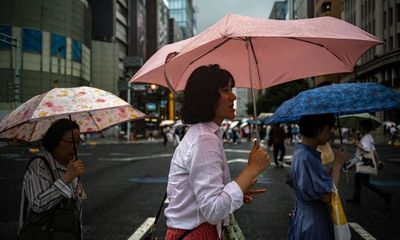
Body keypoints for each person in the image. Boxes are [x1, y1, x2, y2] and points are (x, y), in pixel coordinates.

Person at [164, 64, 271, 240]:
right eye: (225, 90)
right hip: (198, 234)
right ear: (207, 97)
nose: (233, 96)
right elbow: (213, 209)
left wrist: (238, 189)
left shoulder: (202, 133)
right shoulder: (204, 139)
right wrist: (252, 169)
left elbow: (203, 196)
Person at [18, 118, 85, 239]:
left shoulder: (71, 166)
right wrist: (66, 179)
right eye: (70, 142)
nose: (74, 147)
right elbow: (38, 204)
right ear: (55, 141)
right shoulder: (39, 165)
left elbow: (76, 211)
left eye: (78, 142)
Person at [288, 113, 347, 240]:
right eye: (328, 129)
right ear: (317, 130)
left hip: (304, 217)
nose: (331, 133)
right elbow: (327, 197)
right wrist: (337, 166)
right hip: (314, 223)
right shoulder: (308, 157)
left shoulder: (302, 152)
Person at [346, 119, 392, 205]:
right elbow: (374, 151)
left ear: (365, 128)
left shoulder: (366, 138)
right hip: (363, 162)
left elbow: (366, 150)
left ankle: (385, 195)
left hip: (364, 163)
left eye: (361, 126)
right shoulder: (368, 137)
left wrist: (357, 144)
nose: (359, 128)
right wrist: (378, 161)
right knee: (358, 180)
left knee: (365, 183)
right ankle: (356, 198)